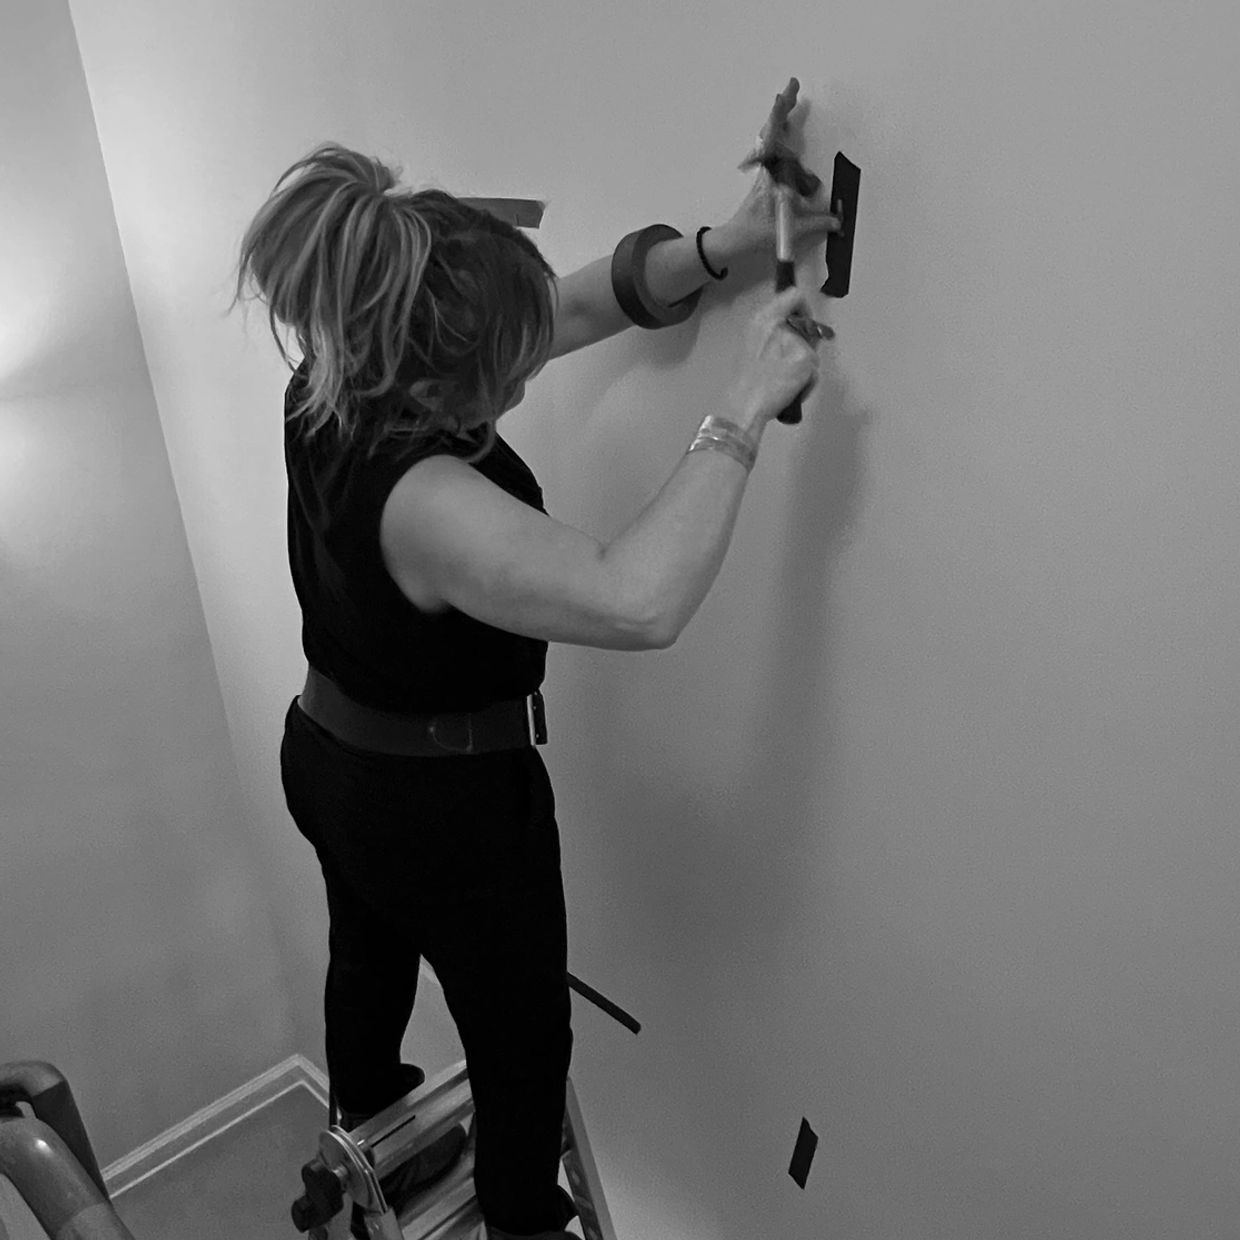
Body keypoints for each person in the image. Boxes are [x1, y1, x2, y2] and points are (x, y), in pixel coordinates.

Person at [229, 142, 833, 1240]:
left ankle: (368, 1120)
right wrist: (741, 404)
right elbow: (635, 599)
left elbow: (583, 303)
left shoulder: (345, 362)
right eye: (505, 372)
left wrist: (725, 244)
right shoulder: (421, 497)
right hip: (440, 809)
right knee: (518, 1038)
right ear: (442, 378)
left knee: (365, 954)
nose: (522, 379)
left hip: (330, 757)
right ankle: (519, 1220)